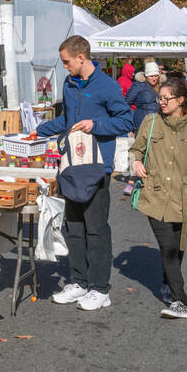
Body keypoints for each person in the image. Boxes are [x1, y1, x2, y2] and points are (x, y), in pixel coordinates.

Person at [37, 35, 134, 312]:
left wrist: (96, 124)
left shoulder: (107, 86)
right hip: (70, 166)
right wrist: (37, 129)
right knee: (74, 228)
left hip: (96, 167)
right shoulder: (69, 85)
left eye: (66, 61)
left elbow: (125, 120)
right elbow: (66, 120)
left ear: (81, 57)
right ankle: (78, 282)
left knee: (96, 230)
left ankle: (100, 289)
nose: (64, 67)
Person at [129, 78, 187, 318]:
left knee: (178, 247)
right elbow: (137, 148)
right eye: (159, 98)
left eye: (166, 98)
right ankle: (180, 301)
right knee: (169, 249)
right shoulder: (151, 121)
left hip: (183, 199)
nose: (161, 102)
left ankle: (168, 283)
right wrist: (134, 161)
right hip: (154, 197)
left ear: (181, 100)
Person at [121, 61, 162, 196]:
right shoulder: (138, 85)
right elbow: (126, 103)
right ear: (145, 76)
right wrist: (129, 123)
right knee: (138, 152)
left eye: (156, 75)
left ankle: (152, 182)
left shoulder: (162, 86)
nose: (154, 78)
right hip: (142, 123)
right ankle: (132, 182)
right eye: (151, 76)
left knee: (156, 154)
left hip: (159, 123)